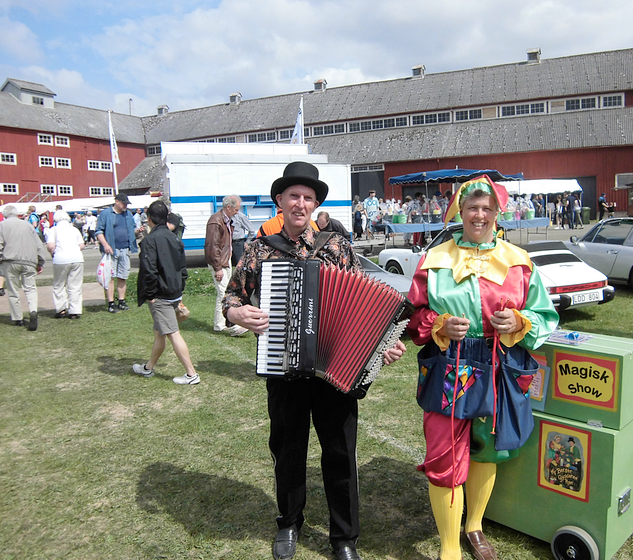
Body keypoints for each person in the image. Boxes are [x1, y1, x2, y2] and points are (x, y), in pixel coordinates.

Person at [223, 161, 406, 560]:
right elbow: (232, 297)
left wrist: (382, 343)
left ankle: (344, 539)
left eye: (308, 197)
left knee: (340, 454)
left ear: (314, 203)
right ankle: (289, 523)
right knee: (287, 451)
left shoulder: (336, 246)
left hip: (334, 373)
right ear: (280, 201)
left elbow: (364, 305)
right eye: (293, 196)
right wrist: (236, 313)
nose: (300, 203)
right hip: (283, 370)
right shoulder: (259, 250)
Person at [406, 176, 558, 560]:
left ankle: (473, 526)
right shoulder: (435, 259)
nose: (479, 214)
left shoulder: (519, 262)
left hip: (498, 365)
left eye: (487, 208)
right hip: (451, 366)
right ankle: (450, 547)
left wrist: (521, 322)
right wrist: (438, 324)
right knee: (445, 454)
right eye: (472, 207)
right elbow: (411, 316)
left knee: (488, 449)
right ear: (460, 210)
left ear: (497, 213)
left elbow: (545, 316)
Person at [133, 200, 200, 385]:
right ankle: (148, 368)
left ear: (149, 218)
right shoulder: (174, 238)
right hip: (173, 293)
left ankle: (191, 374)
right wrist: (179, 290)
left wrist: (150, 294)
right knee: (159, 333)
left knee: (172, 333)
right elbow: (182, 268)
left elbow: (149, 270)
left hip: (161, 295)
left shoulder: (150, 240)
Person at [0, 205, 48, 330]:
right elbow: (38, 245)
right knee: (30, 288)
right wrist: (40, 262)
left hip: (10, 260)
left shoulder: (1, 225)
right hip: (29, 261)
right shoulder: (27, 225)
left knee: (13, 290)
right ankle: (33, 310)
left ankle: (18, 318)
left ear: (4, 215)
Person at [205, 194, 247, 336]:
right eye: (236, 209)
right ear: (228, 207)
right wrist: (218, 268)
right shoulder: (216, 221)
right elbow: (212, 247)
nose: (237, 211)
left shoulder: (226, 220)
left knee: (223, 293)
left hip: (224, 261)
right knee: (224, 295)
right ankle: (233, 326)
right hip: (220, 263)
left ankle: (219, 325)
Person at [95, 193, 139, 313]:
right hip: (111, 250)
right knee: (110, 277)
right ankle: (111, 302)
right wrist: (106, 245)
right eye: (123, 203)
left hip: (124, 249)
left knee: (123, 275)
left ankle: (122, 301)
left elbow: (130, 230)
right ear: (116, 201)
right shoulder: (106, 214)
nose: (125, 205)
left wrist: (137, 232)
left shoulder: (128, 214)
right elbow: (99, 231)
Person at [47, 210, 85, 319]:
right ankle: (75, 310)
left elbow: (50, 246)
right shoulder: (74, 229)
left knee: (59, 285)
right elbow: (81, 245)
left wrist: (52, 253)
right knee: (75, 285)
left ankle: (61, 309)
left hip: (61, 259)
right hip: (77, 258)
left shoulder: (53, 230)